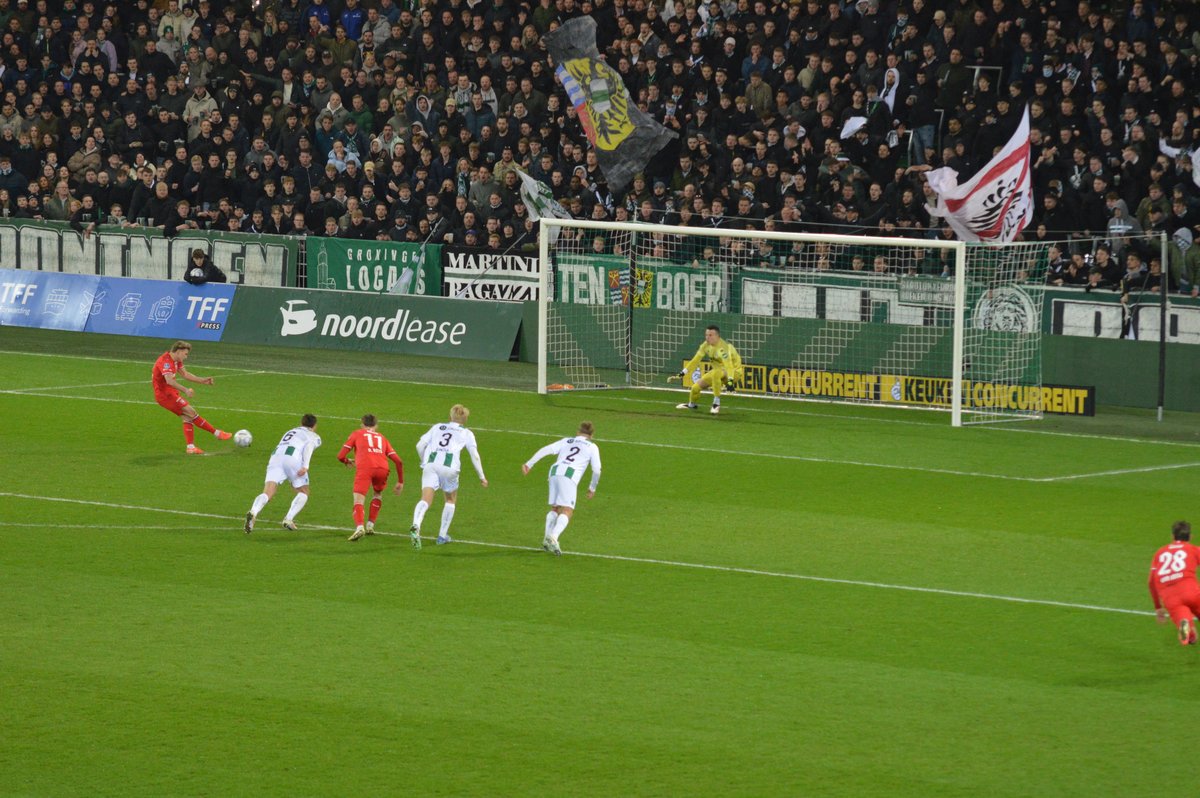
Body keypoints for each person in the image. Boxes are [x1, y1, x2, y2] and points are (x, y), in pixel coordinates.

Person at [409, 404, 488, 549]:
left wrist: (423, 461)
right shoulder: (467, 433)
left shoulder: (438, 426)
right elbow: (474, 456)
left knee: (425, 499)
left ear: (450, 416)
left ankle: (416, 525)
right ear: (465, 420)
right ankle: (442, 536)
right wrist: (481, 476)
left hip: (430, 465)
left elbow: (419, 446)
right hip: (449, 467)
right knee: (450, 499)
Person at [521, 421, 602, 555]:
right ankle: (553, 537)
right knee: (568, 510)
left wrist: (529, 464)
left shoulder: (567, 441)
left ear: (578, 432)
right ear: (592, 435)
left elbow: (546, 449)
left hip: (554, 471)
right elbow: (597, 470)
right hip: (569, 475)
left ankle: (546, 540)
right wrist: (592, 487)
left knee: (555, 508)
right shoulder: (592, 447)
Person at [151, 341, 233, 454]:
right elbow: (169, 381)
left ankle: (190, 447)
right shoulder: (165, 362)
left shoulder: (176, 360)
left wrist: (202, 380)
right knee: (191, 412)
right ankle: (217, 433)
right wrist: (185, 390)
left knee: (187, 416)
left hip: (171, 393)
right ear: (178, 352)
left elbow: (185, 374)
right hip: (165, 395)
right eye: (185, 354)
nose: (186, 356)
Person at [244, 414, 321, 533]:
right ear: (314, 426)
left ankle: (253, 511)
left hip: (275, 457)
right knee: (304, 492)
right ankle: (288, 519)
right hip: (292, 458)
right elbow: (309, 446)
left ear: (301, 423)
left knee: (268, 491)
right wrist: (305, 466)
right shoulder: (313, 436)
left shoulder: (291, 431)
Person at [337, 414, 404, 542]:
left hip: (365, 468)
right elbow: (398, 461)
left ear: (362, 424)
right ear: (376, 425)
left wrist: (346, 461)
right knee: (377, 494)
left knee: (358, 499)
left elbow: (340, 456)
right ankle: (370, 525)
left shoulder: (357, 433)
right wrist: (400, 481)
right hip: (382, 468)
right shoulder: (382, 438)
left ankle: (359, 527)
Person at [668, 324, 744, 415]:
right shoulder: (705, 345)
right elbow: (695, 360)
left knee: (716, 373)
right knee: (695, 388)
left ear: (717, 336)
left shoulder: (723, 348)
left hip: (734, 372)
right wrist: (682, 373)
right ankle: (692, 405)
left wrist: (730, 382)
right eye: (706, 335)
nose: (707, 337)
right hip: (719, 371)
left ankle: (716, 403)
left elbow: (729, 366)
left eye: (710, 335)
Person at [1149, 520, 1200, 646]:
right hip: (1191, 591)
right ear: (1190, 537)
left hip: (1170, 598)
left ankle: (1187, 630)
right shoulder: (1193, 549)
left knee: (1191, 638)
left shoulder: (1160, 553)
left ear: (1172, 536)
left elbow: (1151, 582)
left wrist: (1158, 607)